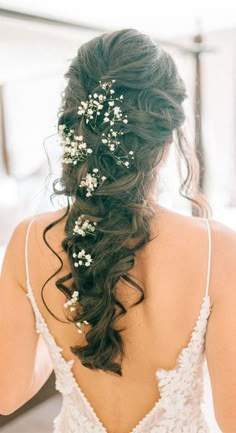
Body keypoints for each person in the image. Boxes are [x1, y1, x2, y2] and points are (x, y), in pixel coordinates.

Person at [0, 28, 235, 433]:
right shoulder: (217, 249)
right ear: (165, 137)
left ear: (76, 131)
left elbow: (8, 392)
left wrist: (58, 341)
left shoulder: (27, 242)